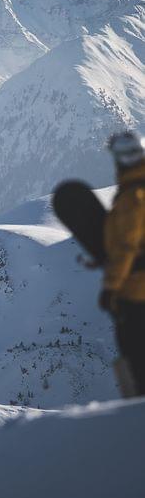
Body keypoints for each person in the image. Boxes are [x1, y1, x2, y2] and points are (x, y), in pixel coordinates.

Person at [99, 130, 145, 395]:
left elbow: (127, 247)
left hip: (136, 291)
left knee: (135, 352)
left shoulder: (133, 198)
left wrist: (111, 287)